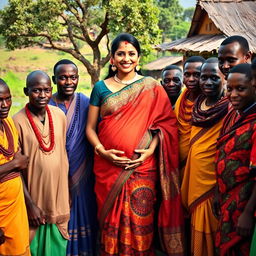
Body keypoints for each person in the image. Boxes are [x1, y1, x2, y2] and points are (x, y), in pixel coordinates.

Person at [86, 33, 184, 255]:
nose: (126, 58)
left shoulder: (151, 86)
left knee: (141, 222)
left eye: (131, 54)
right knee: (110, 220)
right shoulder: (100, 88)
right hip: (108, 169)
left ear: (139, 58)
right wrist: (103, 152)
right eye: (120, 53)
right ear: (112, 58)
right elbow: (90, 128)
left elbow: (166, 125)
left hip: (142, 169)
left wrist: (149, 151)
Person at [13, 71, 70, 255]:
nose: (43, 95)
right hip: (34, 203)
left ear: (51, 90)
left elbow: (62, 156)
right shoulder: (17, 122)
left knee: (58, 247)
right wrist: (30, 205)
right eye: (36, 90)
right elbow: (15, 170)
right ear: (26, 91)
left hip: (58, 198)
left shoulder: (59, 115)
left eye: (46, 90)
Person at [50, 59, 98, 255]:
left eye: (73, 77)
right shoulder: (47, 105)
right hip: (56, 180)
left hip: (84, 176)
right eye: (63, 78)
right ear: (54, 79)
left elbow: (97, 131)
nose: (68, 82)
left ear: (78, 79)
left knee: (86, 219)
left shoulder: (86, 103)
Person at [181, 58, 229, 256]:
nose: (207, 82)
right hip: (194, 176)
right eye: (204, 77)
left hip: (212, 182)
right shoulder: (196, 103)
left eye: (213, 78)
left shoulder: (229, 107)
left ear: (224, 79)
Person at [214, 63, 256, 256]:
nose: (233, 95)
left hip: (244, 204)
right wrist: (217, 192)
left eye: (241, 89)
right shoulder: (236, 116)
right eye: (229, 89)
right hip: (227, 201)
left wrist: (248, 213)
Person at [0, 79, 30, 255]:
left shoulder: (9, 123)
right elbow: (18, 162)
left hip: (16, 209)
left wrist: (30, 203)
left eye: (8, 99)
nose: (4, 105)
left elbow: (18, 169)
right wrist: (14, 164)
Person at [174, 56, 205, 173]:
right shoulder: (181, 98)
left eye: (196, 75)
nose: (191, 79)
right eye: (187, 74)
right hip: (177, 157)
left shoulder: (208, 103)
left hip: (200, 162)